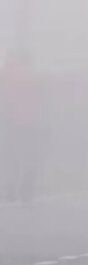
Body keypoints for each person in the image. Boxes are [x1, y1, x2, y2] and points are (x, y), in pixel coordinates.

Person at [0, 51, 45, 203]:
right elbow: (42, 99)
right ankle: (27, 189)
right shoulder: (33, 76)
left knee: (10, 157)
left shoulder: (5, 75)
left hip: (9, 122)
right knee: (29, 156)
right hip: (31, 122)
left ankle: (10, 189)